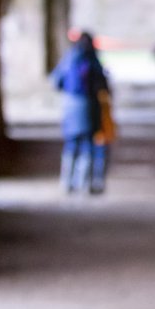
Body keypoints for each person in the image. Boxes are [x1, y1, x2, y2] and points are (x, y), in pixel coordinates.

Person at [51, 31, 109, 194]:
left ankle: (67, 182)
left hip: (70, 105)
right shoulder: (92, 60)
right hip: (88, 105)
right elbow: (103, 85)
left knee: (71, 143)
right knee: (88, 144)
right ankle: (85, 183)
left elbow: (56, 81)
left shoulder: (69, 58)